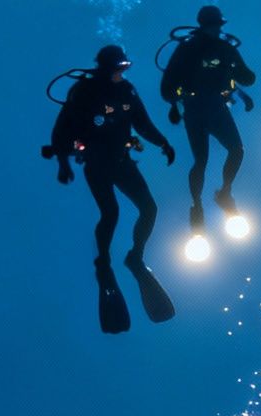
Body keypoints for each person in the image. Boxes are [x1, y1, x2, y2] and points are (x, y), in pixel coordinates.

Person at [51, 45, 175, 274]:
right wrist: (63, 162)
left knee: (149, 209)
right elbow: (62, 129)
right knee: (110, 213)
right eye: (119, 67)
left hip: (122, 161)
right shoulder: (84, 91)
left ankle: (135, 255)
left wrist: (163, 143)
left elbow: (142, 123)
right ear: (106, 67)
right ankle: (103, 261)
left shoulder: (127, 90)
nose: (122, 72)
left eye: (125, 66)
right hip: (96, 163)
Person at [159, 5, 257, 234]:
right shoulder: (195, 49)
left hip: (209, 107)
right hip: (197, 108)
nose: (214, 30)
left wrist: (242, 89)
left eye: (216, 26)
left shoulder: (220, 49)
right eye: (212, 26)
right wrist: (174, 105)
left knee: (236, 150)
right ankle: (198, 205)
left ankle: (222, 193)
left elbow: (246, 77)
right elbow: (168, 87)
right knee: (202, 159)